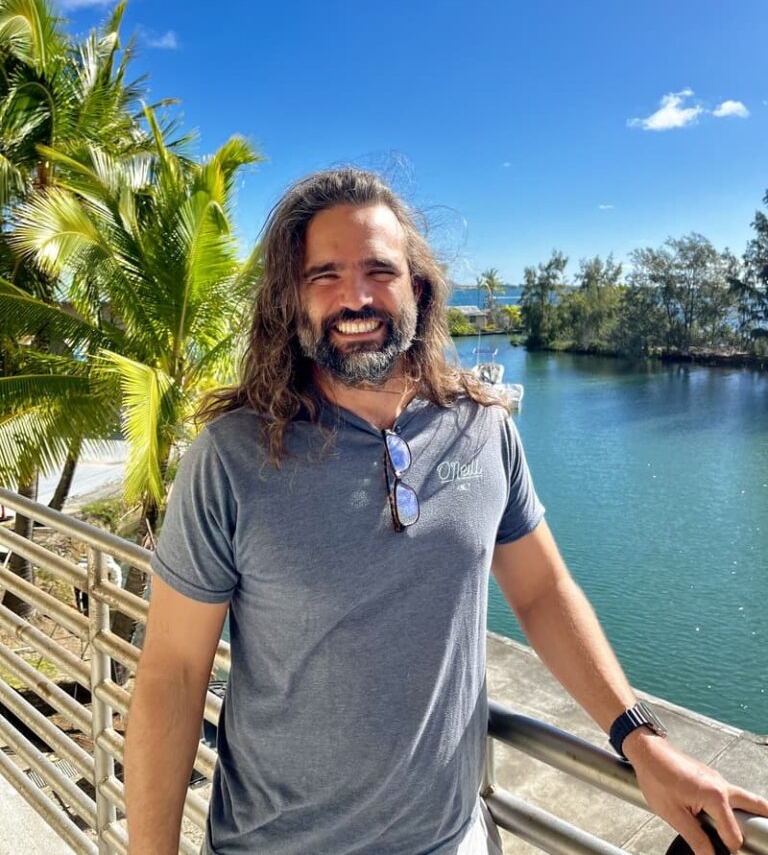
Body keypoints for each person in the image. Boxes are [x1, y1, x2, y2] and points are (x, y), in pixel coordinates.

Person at [124, 168, 768, 855]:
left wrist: (641, 739)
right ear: (291, 300)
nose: (357, 297)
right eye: (325, 276)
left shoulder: (482, 428)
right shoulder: (231, 458)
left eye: (380, 270)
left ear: (418, 288)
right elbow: (175, 674)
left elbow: (544, 592)